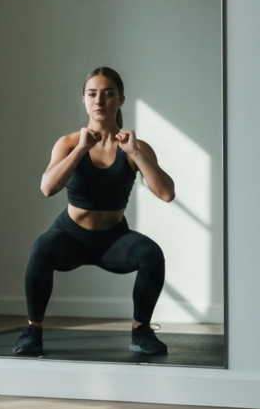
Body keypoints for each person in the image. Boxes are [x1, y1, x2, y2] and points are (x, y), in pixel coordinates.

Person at [14, 67, 175, 358]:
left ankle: (141, 331)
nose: (99, 100)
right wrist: (80, 150)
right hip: (70, 237)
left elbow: (166, 193)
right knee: (42, 246)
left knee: (151, 253)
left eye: (108, 93)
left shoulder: (135, 147)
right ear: (84, 101)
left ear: (120, 100)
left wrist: (135, 153)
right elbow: (48, 188)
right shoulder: (67, 143)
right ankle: (33, 331)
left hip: (114, 239)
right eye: (92, 94)